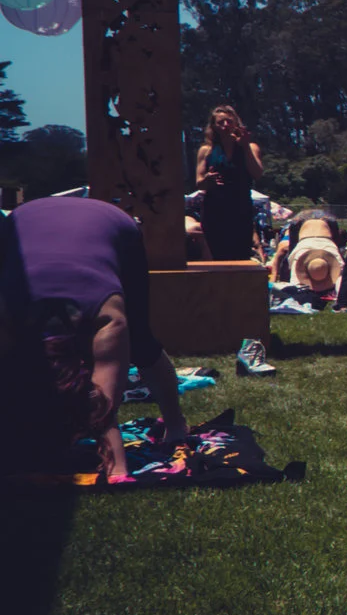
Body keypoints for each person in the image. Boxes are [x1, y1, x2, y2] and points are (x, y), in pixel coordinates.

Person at [0, 197, 189, 480]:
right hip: (21, 222)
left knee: (140, 342)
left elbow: (104, 412)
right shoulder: (7, 318)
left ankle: (176, 425)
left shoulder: (109, 320)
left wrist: (117, 470)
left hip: (112, 224)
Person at [193, 107, 263, 262]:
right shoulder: (206, 150)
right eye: (220, 122)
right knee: (217, 255)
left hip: (240, 209)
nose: (225, 125)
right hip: (214, 211)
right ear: (213, 126)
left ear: (236, 124)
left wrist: (245, 147)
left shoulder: (250, 147)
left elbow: (257, 173)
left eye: (229, 121)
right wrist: (208, 180)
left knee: (241, 255)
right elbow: (199, 183)